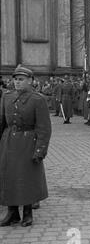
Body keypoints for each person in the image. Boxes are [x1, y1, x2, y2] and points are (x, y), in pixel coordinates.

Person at [0, 65, 51, 227]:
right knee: (9, 177)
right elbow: (2, 123)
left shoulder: (37, 99)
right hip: (8, 142)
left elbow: (44, 128)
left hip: (28, 142)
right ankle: (12, 212)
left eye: (21, 80)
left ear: (30, 81)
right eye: (15, 79)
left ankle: (27, 213)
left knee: (26, 177)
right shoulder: (6, 97)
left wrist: (40, 150)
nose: (17, 82)